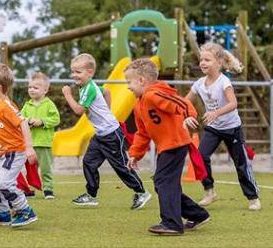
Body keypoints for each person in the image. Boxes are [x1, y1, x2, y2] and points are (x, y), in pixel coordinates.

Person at [125, 58, 210, 235]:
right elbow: (143, 133)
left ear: (141, 80)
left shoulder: (153, 94)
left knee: (163, 182)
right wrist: (135, 154)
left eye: (129, 82)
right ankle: (197, 214)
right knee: (162, 182)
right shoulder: (139, 105)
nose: (127, 86)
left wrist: (188, 116)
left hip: (176, 143)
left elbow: (182, 103)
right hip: (167, 146)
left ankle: (172, 223)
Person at [62, 53, 151, 209]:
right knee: (89, 162)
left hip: (111, 135)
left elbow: (78, 110)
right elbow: (106, 92)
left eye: (78, 72)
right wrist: (108, 110)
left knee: (121, 166)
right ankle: (91, 195)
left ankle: (141, 192)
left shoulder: (88, 88)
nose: (74, 75)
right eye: (73, 71)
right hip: (101, 135)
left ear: (90, 72)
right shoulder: (86, 86)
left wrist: (68, 95)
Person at [184, 42, 260, 210]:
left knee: (241, 164)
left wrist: (215, 113)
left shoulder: (224, 82)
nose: (202, 63)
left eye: (207, 60)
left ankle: (253, 197)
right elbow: (184, 102)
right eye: (201, 59)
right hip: (213, 128)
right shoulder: (199, 84)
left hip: (232, 128)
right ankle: (209, 191)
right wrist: (185, 115)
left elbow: (233, 103)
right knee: (200, 156)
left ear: (218, 62)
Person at [0, 63, 38, 227]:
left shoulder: (6, 106)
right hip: (2, 153)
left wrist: (29, 147)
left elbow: (23, 123)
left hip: (15, 152)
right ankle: (2, 213)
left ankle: (25, 211)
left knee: (4, 183)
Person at [21, 72, 61, 199]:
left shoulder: (49, 104)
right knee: (30, 169)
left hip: (44, 143)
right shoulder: (27, 105)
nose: (32, 90)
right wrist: (28, 121)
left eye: (35, 87)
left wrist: (42, 122)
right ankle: (30, 189)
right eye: (30, 87)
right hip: (30, 144)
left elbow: (56, 119)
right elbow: (20, 119)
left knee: (45, 168)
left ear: (45, 90)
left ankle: (48, 189)